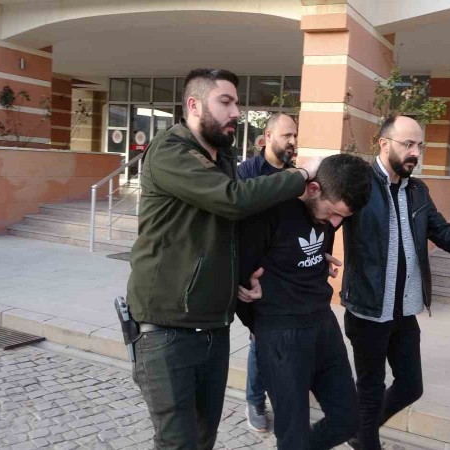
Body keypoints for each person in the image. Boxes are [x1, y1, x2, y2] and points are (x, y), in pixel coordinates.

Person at [126, 68, 318, 450]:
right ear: (194, 105)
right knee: (178, 443)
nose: (236, 112)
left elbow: (231, 228)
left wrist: (245, 276)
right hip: (166, 330)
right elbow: (232, 200)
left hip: (214, 328)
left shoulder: (222, 156)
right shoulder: (170, 150)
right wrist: (301, 175)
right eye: (225, 102)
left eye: (237, 104)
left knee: (203, 438)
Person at [341, 115, 450, 450]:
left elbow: (442, 232)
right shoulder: (359, 184)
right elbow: (325, 216)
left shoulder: (418, 190)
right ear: (384, 143)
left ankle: (359, 430)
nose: (415, 152)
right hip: (369, 309)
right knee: (371, 390)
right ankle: (365, 439)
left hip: (404, 310)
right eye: (408, 144)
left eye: (420, 145)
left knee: (410, 386)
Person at [237, 154, 372, 450]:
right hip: (281, 333)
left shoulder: (328, 212)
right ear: (313, 189)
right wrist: (258, 321)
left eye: (343, 217)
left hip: (323, 324)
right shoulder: (271, 211)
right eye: (333, 212)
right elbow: (240, 272)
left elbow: (305, 249)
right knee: (293, 435)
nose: (335, 223)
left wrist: (316, 263)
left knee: (348, 420)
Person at [235, 113, 298, 432]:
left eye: (295, 136)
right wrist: (238, 275)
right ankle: (255, 399)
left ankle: (280, 395)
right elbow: (234, 223)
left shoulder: (296, 176)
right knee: (259, 338)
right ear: (268, 136)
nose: (293, 141)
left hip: (287, 273)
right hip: (255, 273)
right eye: (287, 135)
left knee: (286, 338)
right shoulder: (246, 172)